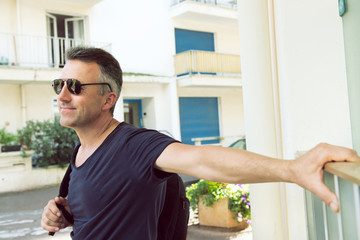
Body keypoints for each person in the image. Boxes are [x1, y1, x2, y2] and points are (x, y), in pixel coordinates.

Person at [41, 46, 360, 239]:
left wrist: (292, 169)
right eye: (59, 84)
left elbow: (201, 160)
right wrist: (67, 213)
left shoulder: (133, 145)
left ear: (108, 98)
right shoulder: (81, 152)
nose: (62, 94)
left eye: (76, 86)